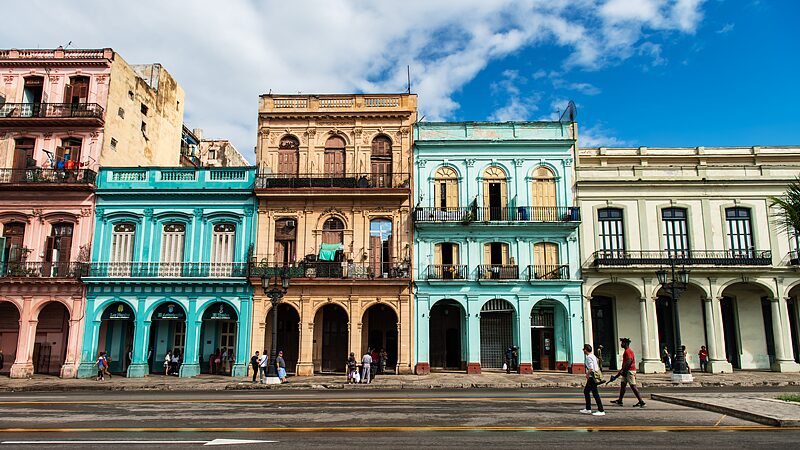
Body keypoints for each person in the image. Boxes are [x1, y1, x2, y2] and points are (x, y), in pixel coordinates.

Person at [610, 338, 645, 408]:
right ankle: (620, 400)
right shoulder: (627, 351)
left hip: (629, 371)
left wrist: (624, 370)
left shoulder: (628, 351)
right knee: (623, 385)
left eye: (622, 343)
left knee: (633, 386)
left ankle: (641, 401)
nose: (621, 344)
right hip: (626, 371)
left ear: (625, 344)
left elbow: (629, 360)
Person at [580, 344, 605, 416]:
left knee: (594, 393)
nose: (583, 351)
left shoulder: (588, 357)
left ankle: (601, 410)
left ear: (586, 350)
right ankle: (588, 408)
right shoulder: (593, 356)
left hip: (592, 377)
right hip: (593, 376)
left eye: (583, 349)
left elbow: (591, 368)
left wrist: (587, 374)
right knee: (587, 391)